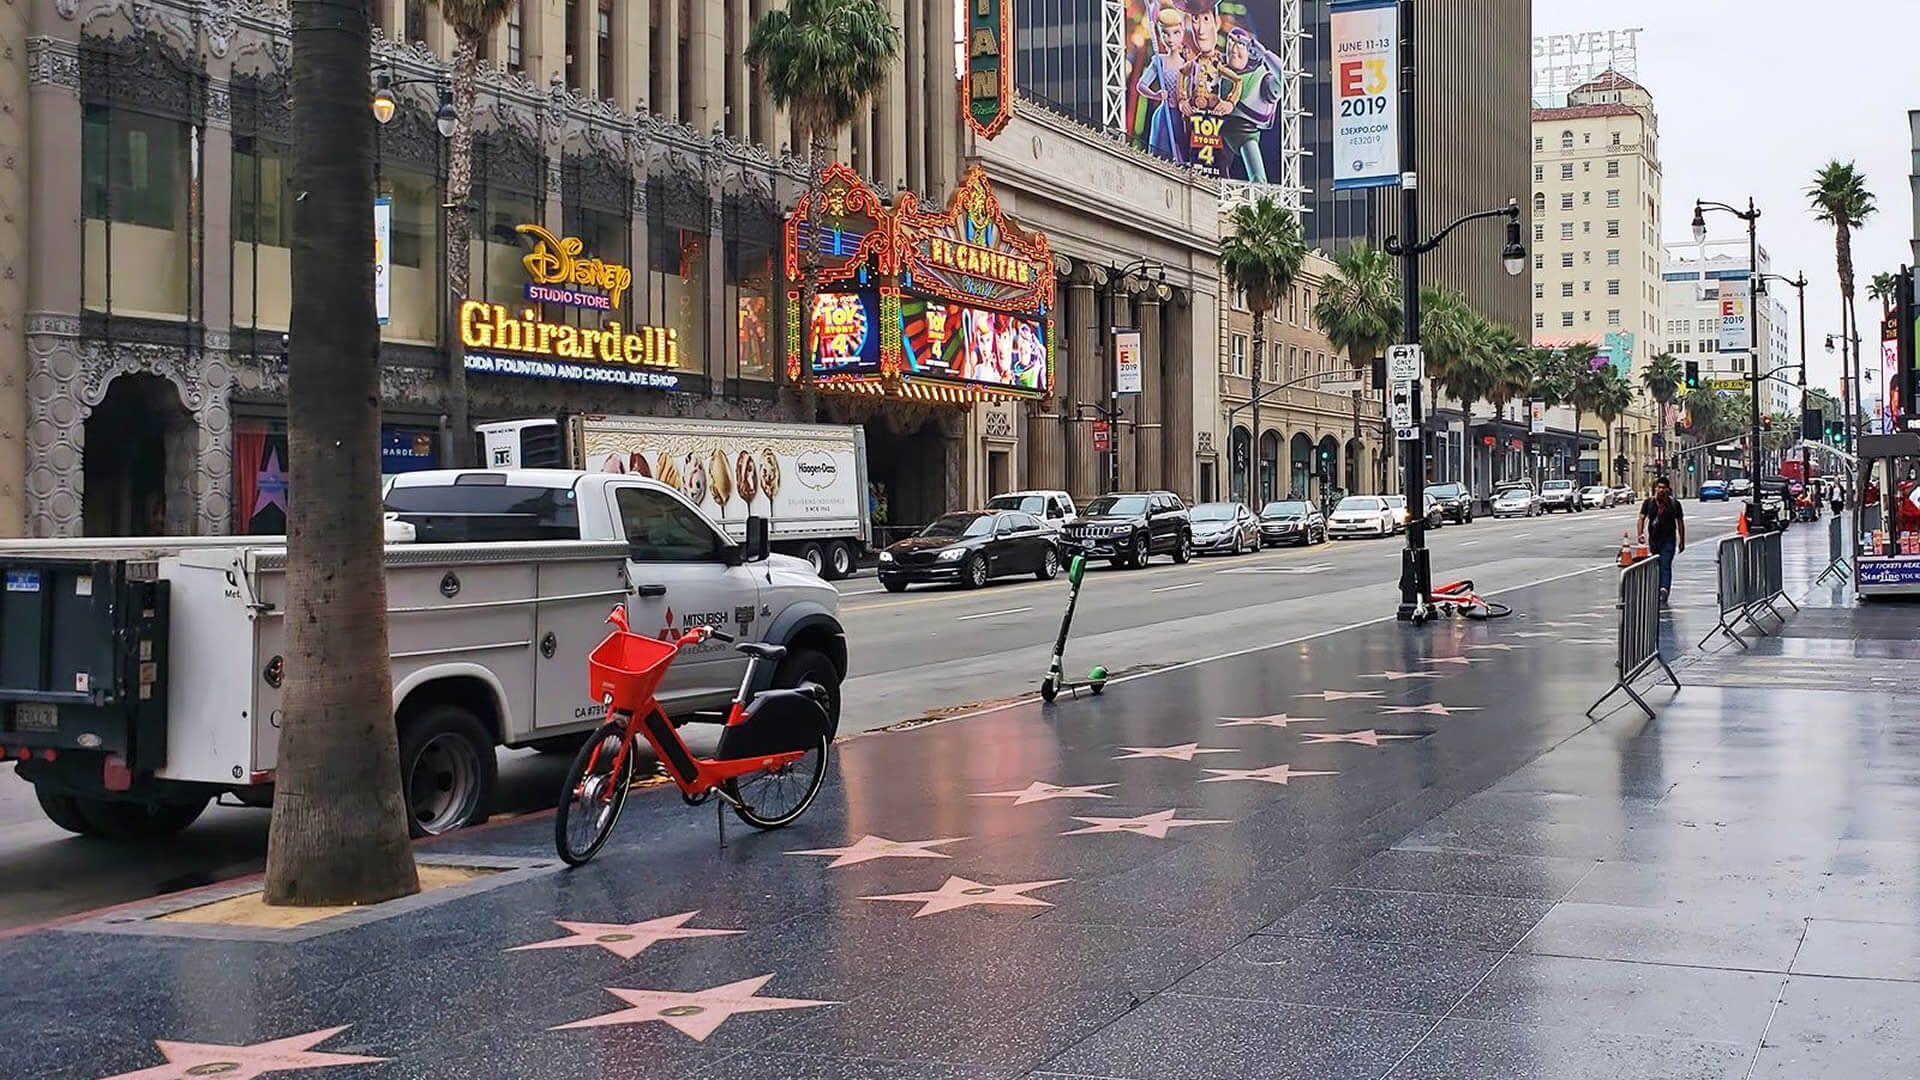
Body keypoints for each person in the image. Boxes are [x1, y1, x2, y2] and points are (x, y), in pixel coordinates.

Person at [1637, 476, 1686, 603]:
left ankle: (1664, 589)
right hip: (1654, 540)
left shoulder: (1674, 504)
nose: (1661, 490)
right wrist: (1640, 534)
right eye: (1659, 487)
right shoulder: (1649, 503)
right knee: (1657, 566)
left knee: (1665, 564)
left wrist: (1682, 541)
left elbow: (1680, 522)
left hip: (1669, 540)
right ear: (1655, 489)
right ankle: (1659, 588)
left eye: (1663, 488)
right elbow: (1641, 518)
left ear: (1668, 489)